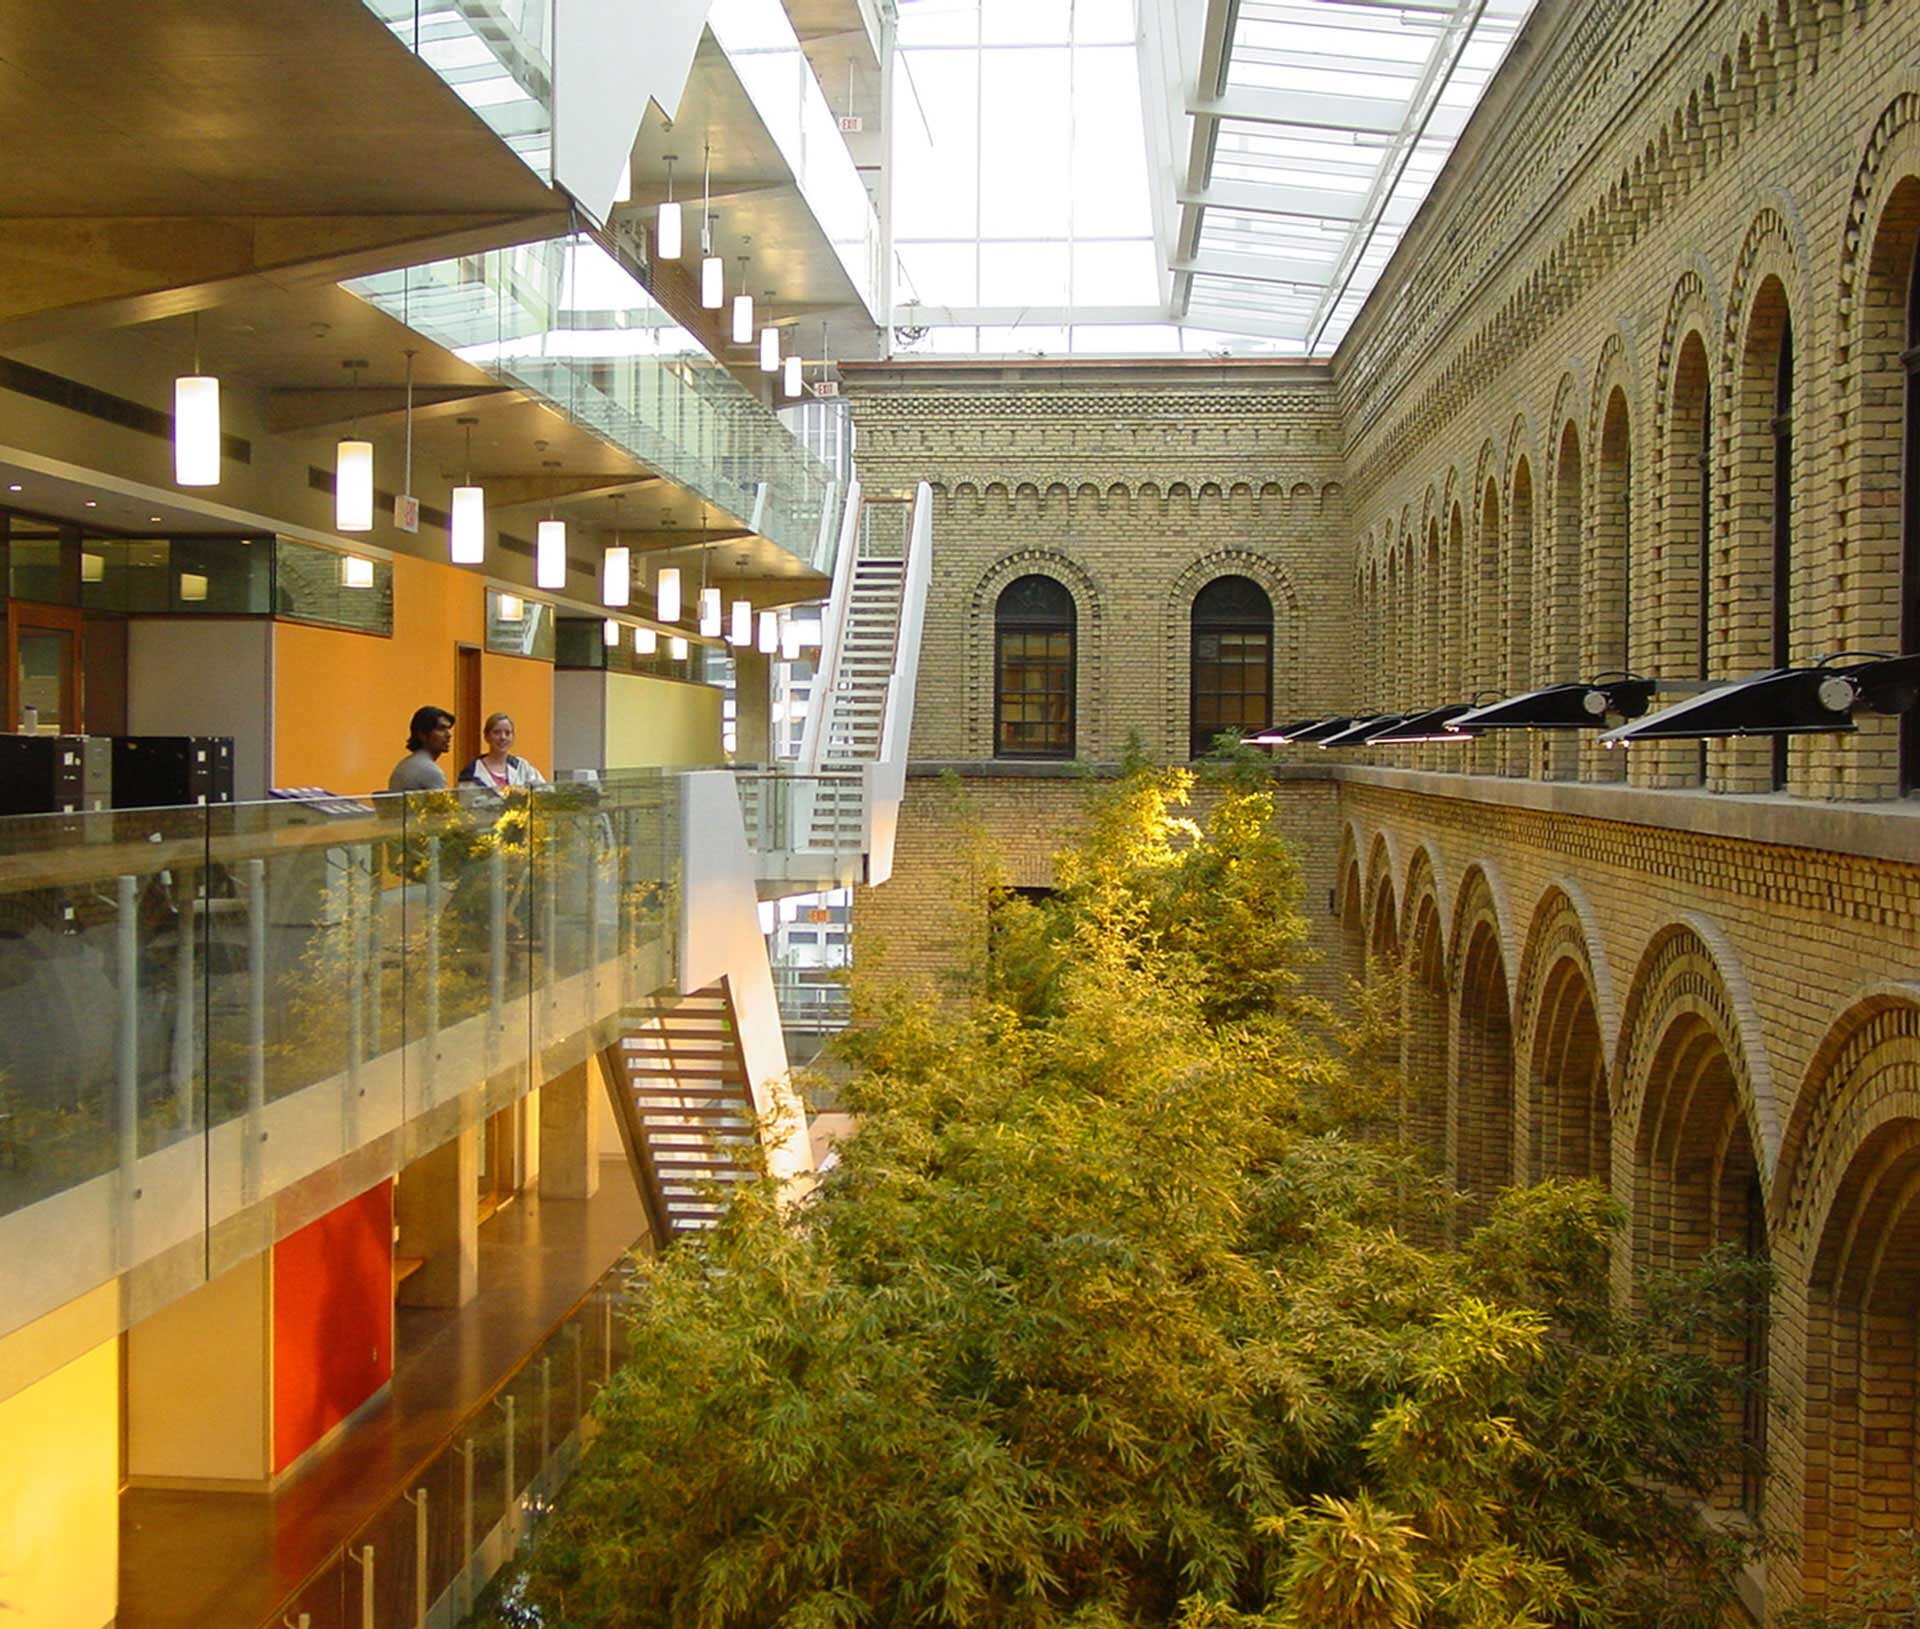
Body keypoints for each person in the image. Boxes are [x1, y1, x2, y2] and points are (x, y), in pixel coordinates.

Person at [457, 712, 548, 797]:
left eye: (507, 733)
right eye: (496, 732)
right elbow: (466, 804)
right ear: (486, 736)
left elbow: (546, 792)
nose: (503, 737)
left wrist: (524, 795)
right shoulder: (472, 772)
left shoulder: (522, 767)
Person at [388, 705, 455, 792]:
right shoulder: (430, 770)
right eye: (441, 729)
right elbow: (442, 801)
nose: (449, 735)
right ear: (422, 735)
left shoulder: (404, 764)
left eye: (448, 729)